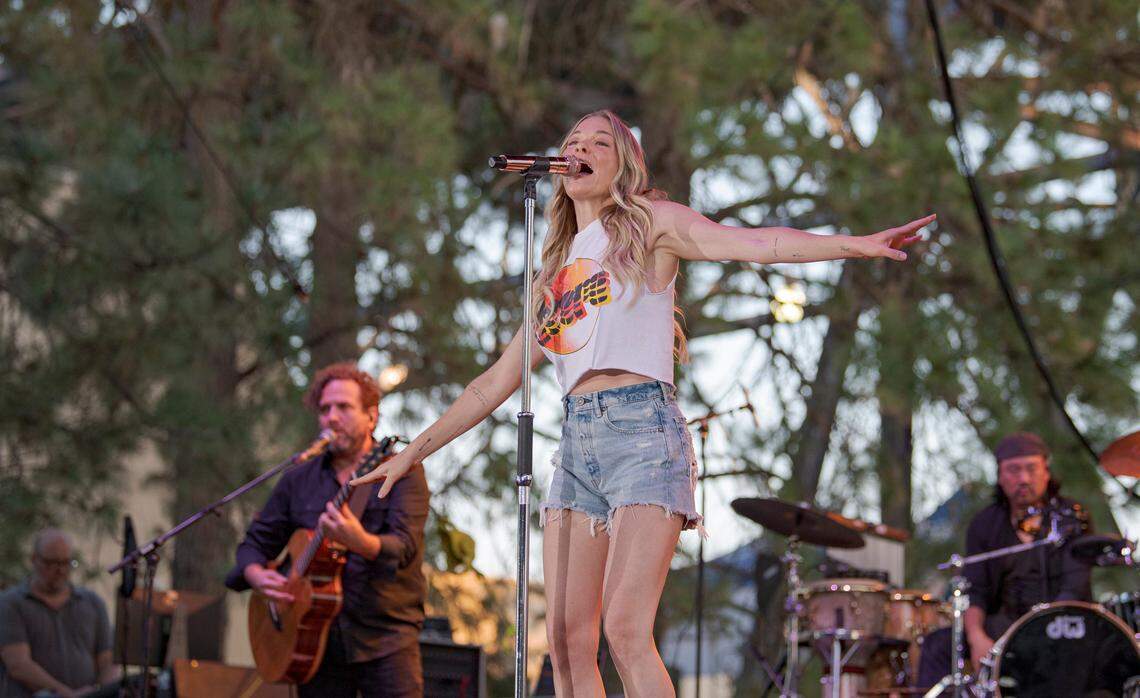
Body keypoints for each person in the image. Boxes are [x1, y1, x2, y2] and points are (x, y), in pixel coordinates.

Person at [351, 109, 932, 696]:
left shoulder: (649, 224)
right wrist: (413, 452)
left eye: (599, 142)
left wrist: (854, 246)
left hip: (643, 433)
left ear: (624, 165)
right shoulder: (552, 275)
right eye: (573, 141)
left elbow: (756, 243)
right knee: (568, 642)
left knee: (625, 629)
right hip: (574, 444)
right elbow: (495, 381)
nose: (580, 149)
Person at [224, 362, 429, 698]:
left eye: (344, 407)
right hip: (313, 641)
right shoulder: (297, 479)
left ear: (371, 417)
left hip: (384, 637)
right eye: (324, 409)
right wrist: (257, 575)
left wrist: (360, 541)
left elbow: (404, 547)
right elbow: (254, 545)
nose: (331, 418)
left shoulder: (402, 471)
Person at [917, 431, 1093, 687]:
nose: (1023, 479)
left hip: (1062, 623)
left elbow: (1074, 588)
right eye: (1013, 470)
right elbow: (976, 591)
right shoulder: (984, 524)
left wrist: (1043, 632)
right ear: (1000, 476)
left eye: (1031, 469)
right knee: (938, 645)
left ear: (1046, 472)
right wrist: (977, 637)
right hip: (1006, 625)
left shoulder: (1071, 517)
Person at [0, 529, 119, 698]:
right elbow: (18, 665)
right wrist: (68, 695)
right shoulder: (11, 603)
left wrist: (103, 692)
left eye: (66, 563)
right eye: (51, 563)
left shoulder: (92, 603)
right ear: (34, 560)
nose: (60, 570)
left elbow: (107, 660)